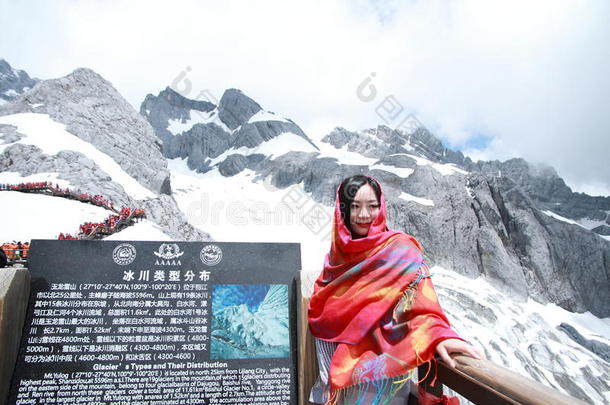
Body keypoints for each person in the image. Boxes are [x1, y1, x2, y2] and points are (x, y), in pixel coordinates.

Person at [308, 175, 483, 405]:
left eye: (372, 206)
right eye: (355, 207)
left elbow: (423, 306)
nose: (363, 215)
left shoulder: (400, 251)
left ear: (381, 208)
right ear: (342, 210)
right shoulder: (335, 261)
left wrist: (438, 335)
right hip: (333, 384)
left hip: (381, 385)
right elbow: (324, 311)